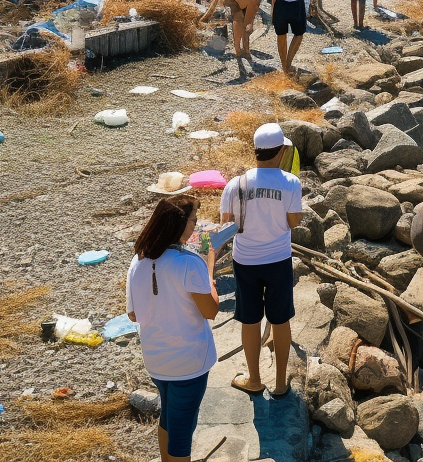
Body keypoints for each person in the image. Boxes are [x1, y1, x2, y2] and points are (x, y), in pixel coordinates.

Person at [126, 195, 219, 462]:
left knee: (169, 416)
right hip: (189, 363)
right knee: (182, 432)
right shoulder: (190, 263)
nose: (195, 225)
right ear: (179, 224)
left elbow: (133, 314)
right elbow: (211, 311)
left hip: (156, 361)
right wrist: (210, 273)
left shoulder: (139, 259)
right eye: (193, 220)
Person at [220, 123, 303, 398]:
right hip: (278, 260)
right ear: (280, 152)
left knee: (250, 320)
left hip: (245, 261)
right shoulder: (290, 183)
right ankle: (280, 384)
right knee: (280, 321)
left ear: (255, 151)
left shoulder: (236, 184)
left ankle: (254, 379)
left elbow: (225, 224)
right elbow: (294, 222)